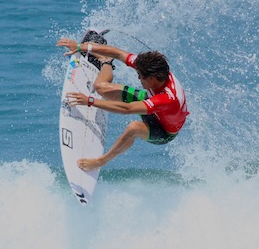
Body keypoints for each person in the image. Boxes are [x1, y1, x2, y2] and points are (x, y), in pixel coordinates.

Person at [57, 33, 188, 171]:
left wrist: (90, 101)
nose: (138, 79)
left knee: (134, 128)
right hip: (150, 100)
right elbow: (118, 53)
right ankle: (105, 61)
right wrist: (80, 46)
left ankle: (101, 161)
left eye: (141, 77)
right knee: (100, 87)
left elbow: (127, 109)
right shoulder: (153, 68)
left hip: (163, 130)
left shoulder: (167, 98)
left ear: (152, 78)